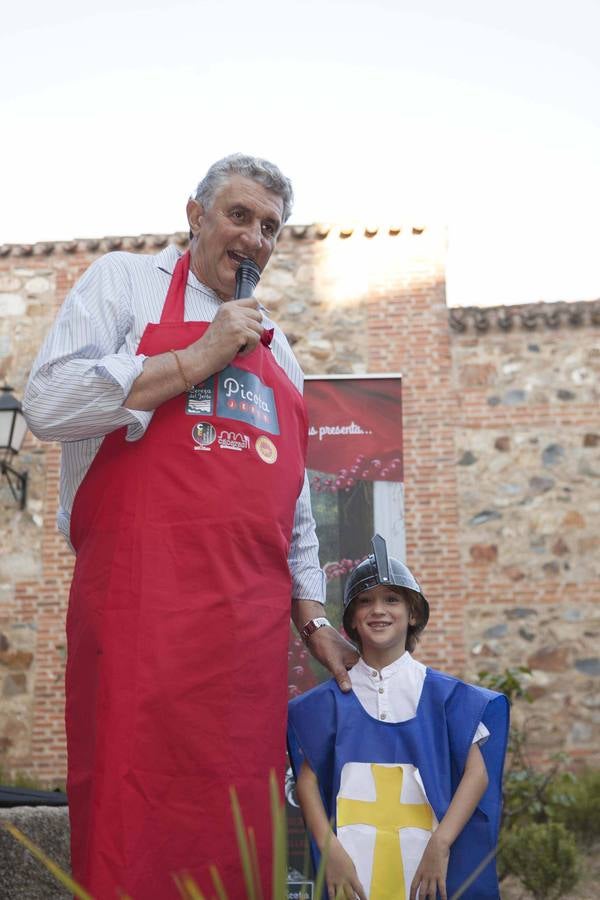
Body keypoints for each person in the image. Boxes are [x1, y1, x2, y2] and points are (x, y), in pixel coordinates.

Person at [23, 153, 357, 899]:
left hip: (246, 627)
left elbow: (293, 494)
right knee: (127, 801)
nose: (254, 238)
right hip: (140, 601)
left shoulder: (284, 353)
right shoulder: (123, 282)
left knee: (236, 816)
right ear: (196, 215)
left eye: (270, 227)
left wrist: (311, 611)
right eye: (238, 216)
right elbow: (46, 404)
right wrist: (199, 354)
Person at [288, 534, 509, 900]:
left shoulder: (445, 697)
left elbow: (477, 773)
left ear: (414, 614)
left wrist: (441, 843)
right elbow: (308, 783)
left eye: (392, 599)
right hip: (353, 867)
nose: (378, 610)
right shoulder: (331, 702)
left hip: (426, 866)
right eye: (365, 602)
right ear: (352, 621)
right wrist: (331, 851)